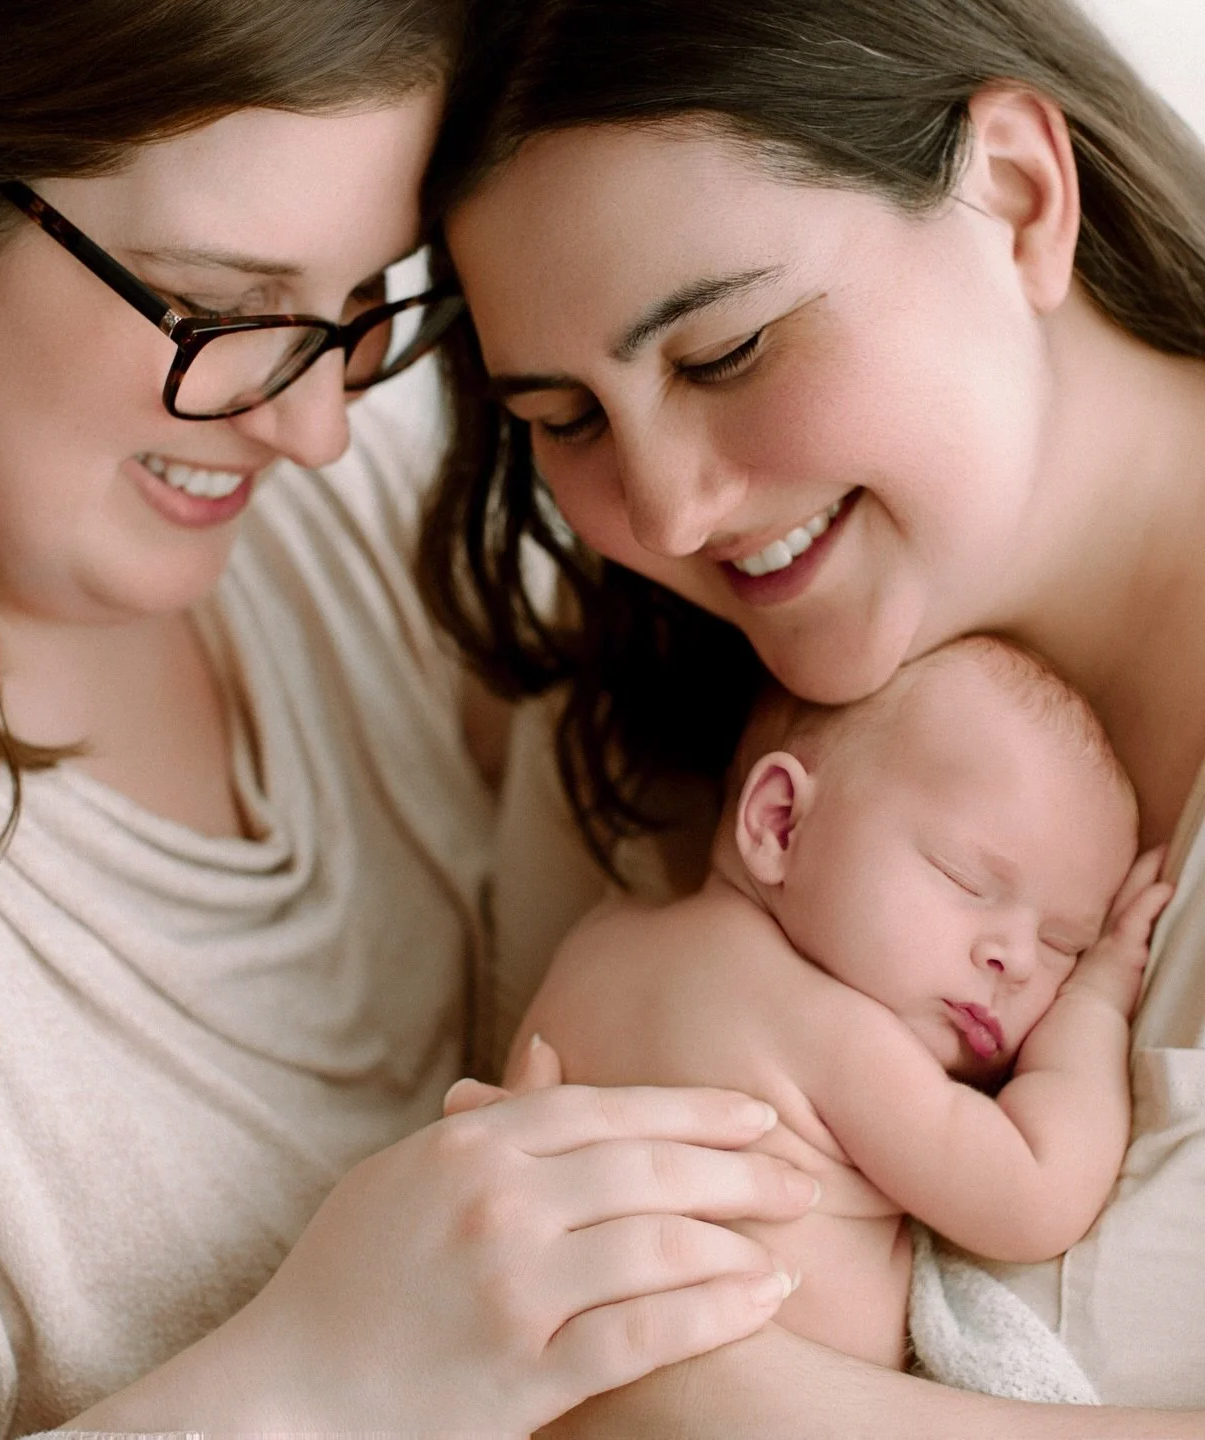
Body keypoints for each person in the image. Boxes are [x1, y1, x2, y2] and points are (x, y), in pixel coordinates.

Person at [0, 2, 826, 1436]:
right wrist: (320, 1385)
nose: (312, 425)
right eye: (214, 310)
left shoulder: (350, 532)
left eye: (352, 311)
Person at [423, 0, 1205, 1430]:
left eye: (726, 351)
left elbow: (596, 1369)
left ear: (1020, 197)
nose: (662, 512)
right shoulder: (629, 739)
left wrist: (724, 1398)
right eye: (568, 418)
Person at [505, 635, 1171, 1375]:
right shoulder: (829, 1034)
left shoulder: (597, 941)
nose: (1013, 961)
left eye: (1063, 946)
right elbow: (1035, 1192)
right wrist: (1096, 1000)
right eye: (966, 879)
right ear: (780, 823)